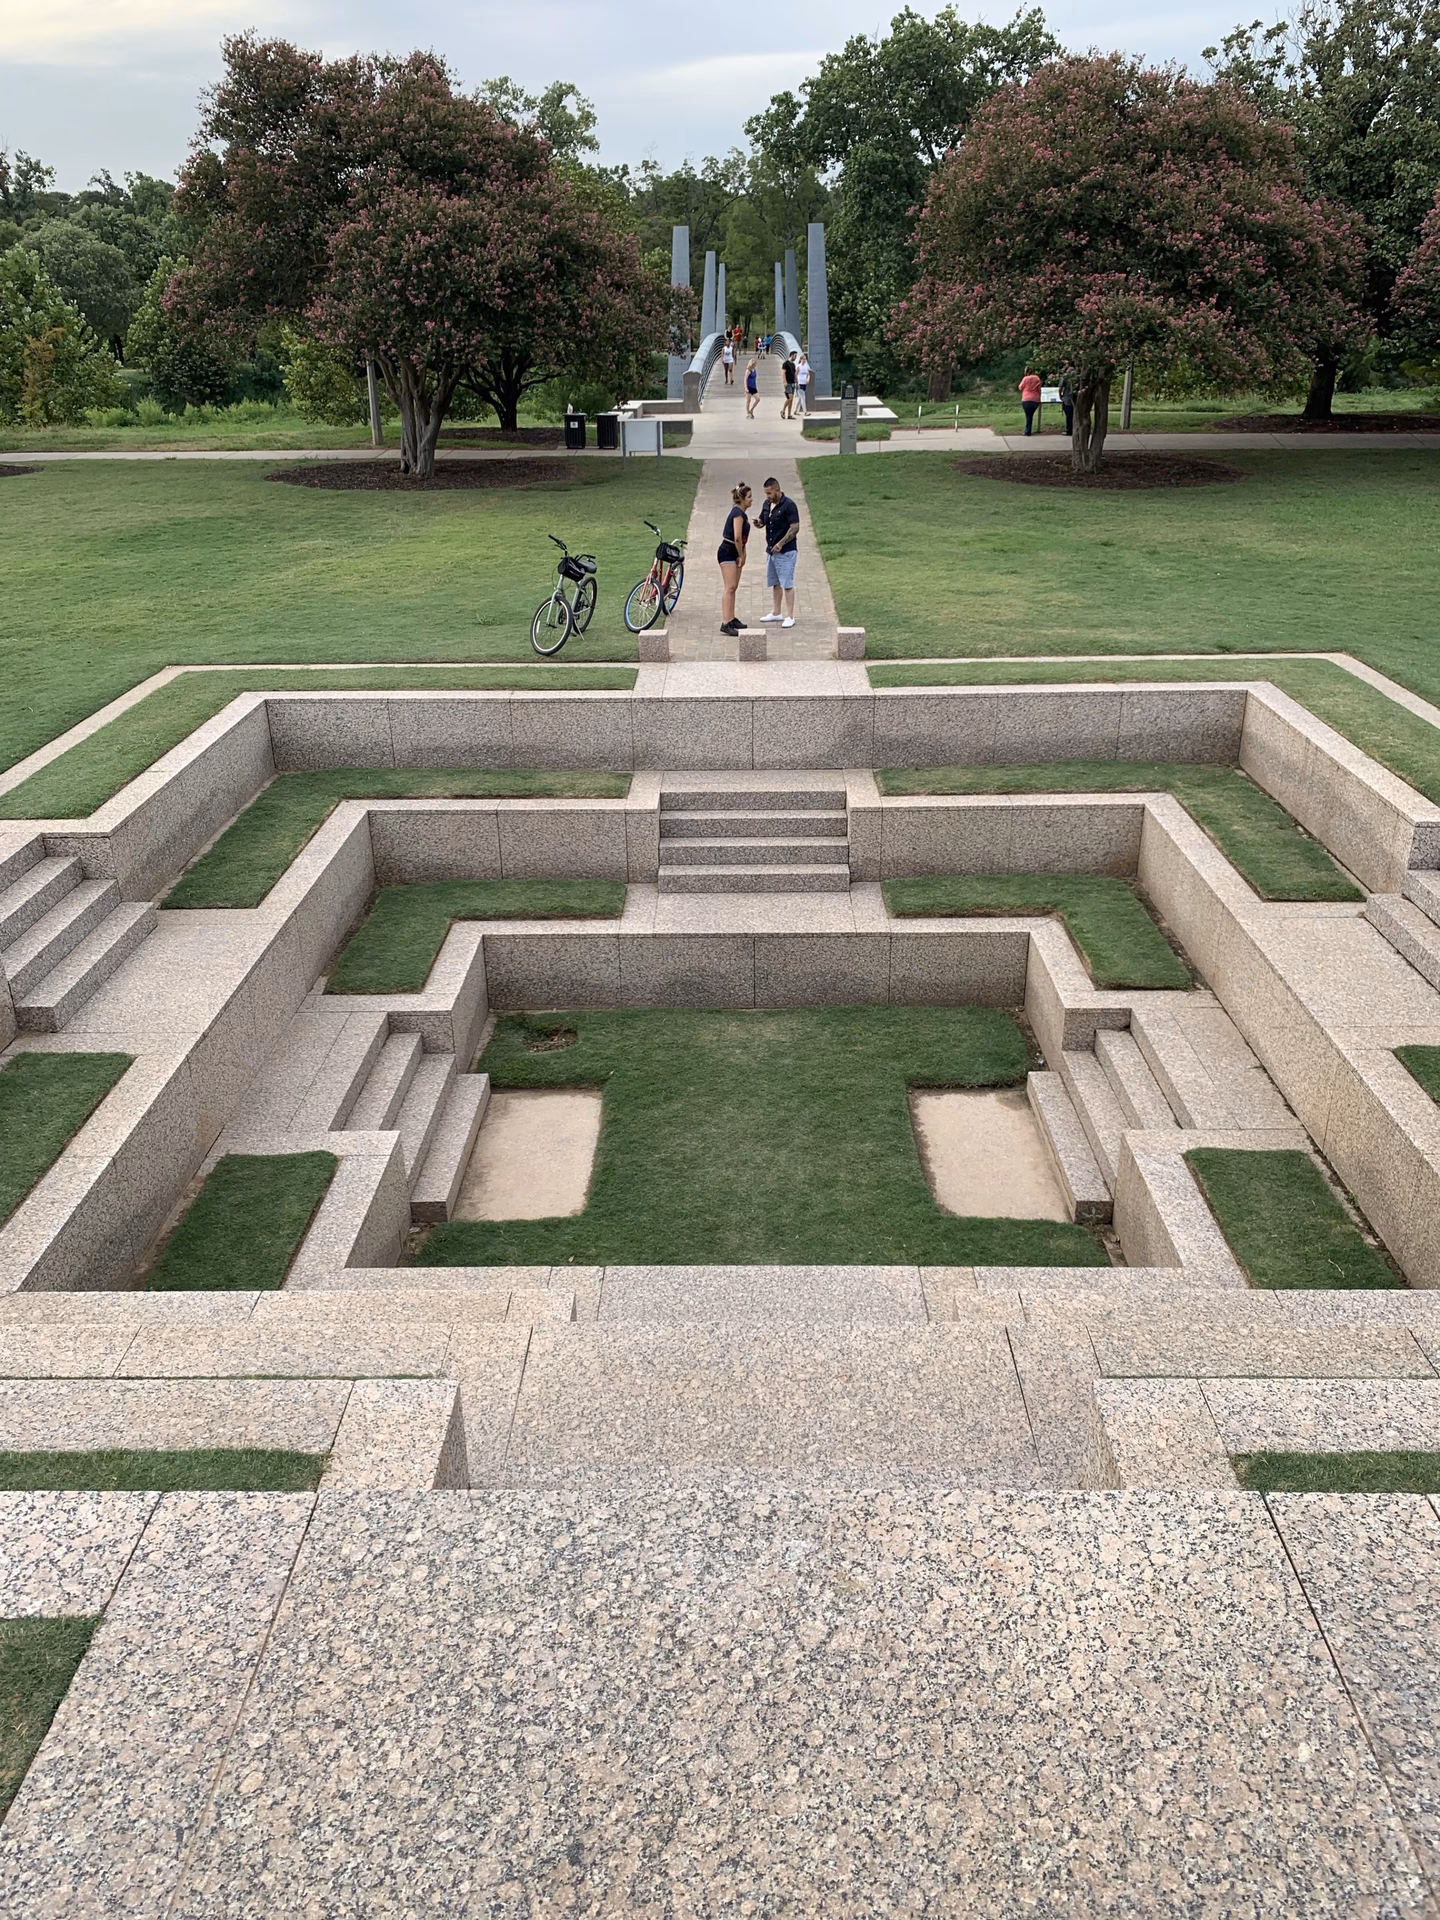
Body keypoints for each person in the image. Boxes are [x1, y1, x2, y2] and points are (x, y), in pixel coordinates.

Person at [757, 475, 799, 628]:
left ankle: (790, 616)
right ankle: (776, 612)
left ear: (777, 490)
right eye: (766, 493)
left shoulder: (789, 505)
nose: (767, 496)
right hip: (771, 551)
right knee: (775, 583)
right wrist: (759, 523)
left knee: (787, 583)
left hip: (786, 551)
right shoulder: (767, 504)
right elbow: (764, 520)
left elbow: (795, 527)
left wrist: (781, 543)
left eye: (769, 493)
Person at [717, 481, 751, 636]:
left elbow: (742, 539)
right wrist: (740, 554)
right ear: (742, 499)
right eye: (749, 497)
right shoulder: (737, 514)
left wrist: (744, 552)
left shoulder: (741, 513)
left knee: (734, 587)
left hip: (736, 551)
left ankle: (731, 618)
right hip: (728, 551)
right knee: (729, 587)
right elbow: (737, 537)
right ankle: (725, 622)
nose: (752, 500)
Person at [1019, 365, 1042, 436]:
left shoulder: (1025, 379)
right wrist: (1039, 397)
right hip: (1035, 399)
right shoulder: (1037, 378)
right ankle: (1028, 430)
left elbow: (1020, 387)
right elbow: (1039, 389)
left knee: (1028, 416)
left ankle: (1028, 431)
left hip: (1026, 399)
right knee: (1030, 415)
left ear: (1026, 372)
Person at [1059, 367, 1075, 436]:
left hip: (1067, 398)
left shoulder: (1065, 377)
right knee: (1075, 415)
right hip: (1076, 399)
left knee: (1069, 416)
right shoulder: (1077, 376)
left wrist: (1060, 396)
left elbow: (1060, 387)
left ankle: (1069, 430)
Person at [781, 353, 797, 419]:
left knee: (791, 399)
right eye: (795, 356)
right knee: (789, 398)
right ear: (792, 355)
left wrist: (797, 381)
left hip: (793, 382)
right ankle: (783, 410)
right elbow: (783, 373)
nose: (795, 357)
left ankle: (789, 414)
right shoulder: (785, 364)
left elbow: (795, 374)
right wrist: (785, 382)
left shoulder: (793, 364)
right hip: (788, 383)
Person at [796, 348, 811, 414]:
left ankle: (795, 411)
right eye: (803, 359)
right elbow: (796, 375)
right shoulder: (798, 366)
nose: (804, 361)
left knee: (800, 398)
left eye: (805, 359)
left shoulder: (806, 366)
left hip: (804, 383)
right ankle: (805, 411)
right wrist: (797, 383)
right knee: (803, 397)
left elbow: (809, 374)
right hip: (800, 383)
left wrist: (808, 379)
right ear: (801, 359)